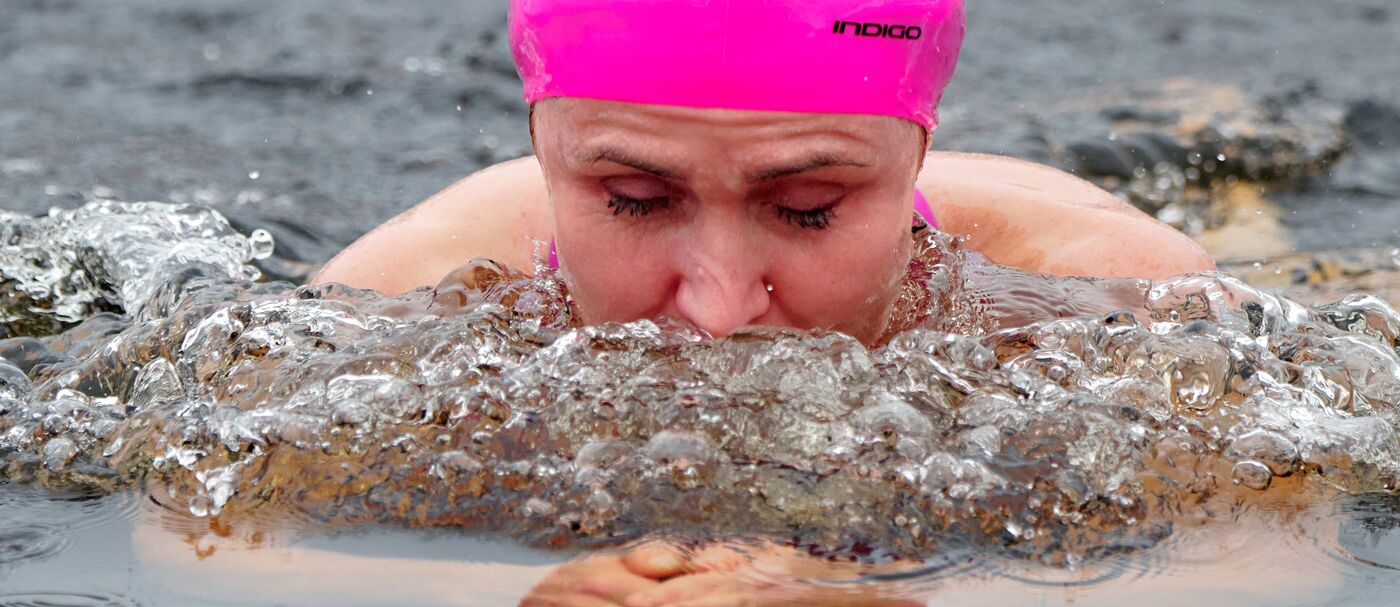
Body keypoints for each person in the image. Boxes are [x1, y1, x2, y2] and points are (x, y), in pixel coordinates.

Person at [315, 0, 1215, 348]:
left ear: (916, 158)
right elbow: (206, 553)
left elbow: (1264, 569)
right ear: (544, 151)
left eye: (808, 209)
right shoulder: (397, 291)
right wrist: (531, 592)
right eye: (633, 201)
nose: (718, 304)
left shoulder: (1110, 293)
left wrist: (878, 586)